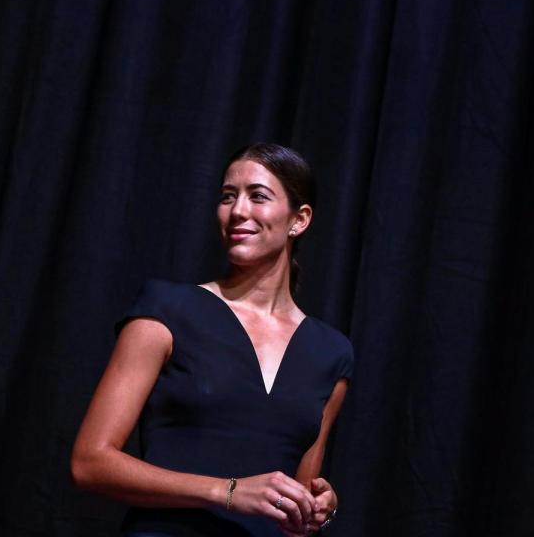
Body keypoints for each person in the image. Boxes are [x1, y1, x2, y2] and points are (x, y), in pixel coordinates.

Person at [71, 143, 353, 536]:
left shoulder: (331, 353)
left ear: (299, 219)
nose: (238, 211)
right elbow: (90, 463)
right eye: (227, 196)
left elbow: (294, 503)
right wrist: (227, 491)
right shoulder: (167, 310)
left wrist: (319, 507)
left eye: (258, 196)